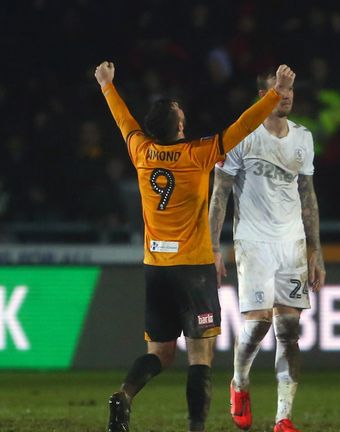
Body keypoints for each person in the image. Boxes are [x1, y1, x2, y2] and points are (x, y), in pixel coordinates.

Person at [95, 60, 295, 432]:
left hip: (156, 268)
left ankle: (125, 393)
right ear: (180, 127)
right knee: (200, 356)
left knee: (160, 352)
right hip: (193, 269)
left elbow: (124, 122)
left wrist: (107, 85)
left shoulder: (141, 152)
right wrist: (276, 94)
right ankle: (196, 428)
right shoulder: (197, 155)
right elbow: (243, 127)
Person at [209, 68, 326, 432]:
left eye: (291, 89)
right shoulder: (241, 137)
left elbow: (308, 197)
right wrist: (213, 246)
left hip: (290, 242)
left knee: (290, 329)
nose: (288, 95)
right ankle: (240, 381)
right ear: (264, 95)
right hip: (253, 241)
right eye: (280, 89)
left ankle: (283, 417)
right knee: (258, 325)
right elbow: (220, 193)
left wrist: (315, 249)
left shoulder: (303, 139)